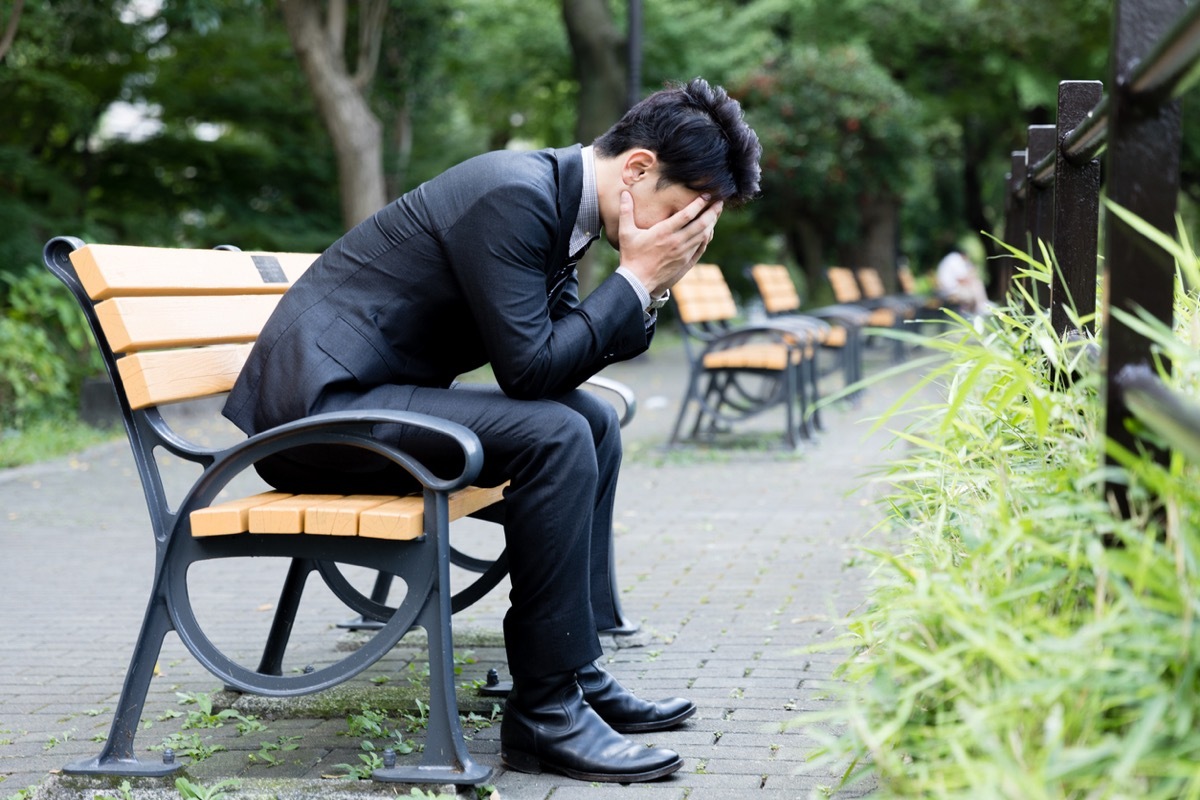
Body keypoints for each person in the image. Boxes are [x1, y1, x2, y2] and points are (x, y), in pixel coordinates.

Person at [222, 78, 762, 782]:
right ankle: (544, 715)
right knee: (556, 435)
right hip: (315, 418)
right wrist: (633, 277)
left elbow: (564, 355)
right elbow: (530, 371)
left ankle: (576, 674)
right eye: (677, 214)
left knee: (590, 421)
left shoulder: (560, 208)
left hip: (368, 400)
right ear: (636, 169)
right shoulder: (514, 195)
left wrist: (647, 285)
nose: (678, 236)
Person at [936, 248, 990, 315]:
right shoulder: (956, 259)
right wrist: (972, 272)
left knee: (975, 286)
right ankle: (981, 308)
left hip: (947, 290)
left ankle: (980, 308)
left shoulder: (951, 258)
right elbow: (963, 279)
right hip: (950, 291)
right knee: (976, 285)